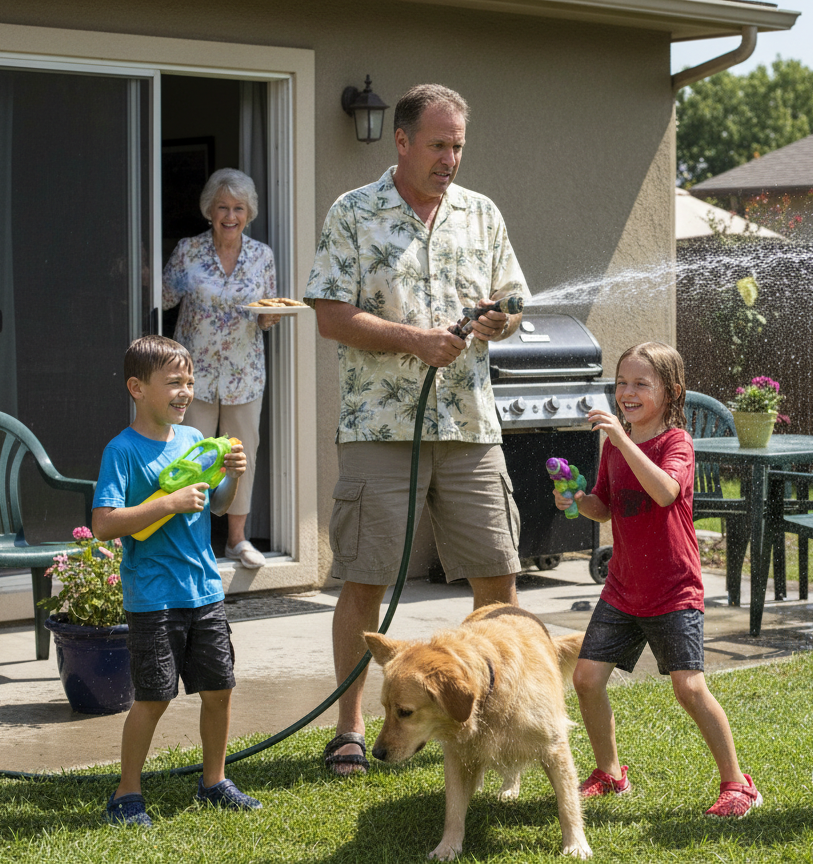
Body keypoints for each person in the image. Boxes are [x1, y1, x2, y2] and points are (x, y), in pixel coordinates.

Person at [303, 84, 528, 777]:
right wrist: (412, 339)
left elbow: (513, 300)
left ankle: (495, 724)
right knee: (365, 580)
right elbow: (330, 313)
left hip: (468, 423)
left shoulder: (481, 214)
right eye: (438, 144)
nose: (450, 158)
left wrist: (500, 320)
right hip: (380, 425)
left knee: (498, 578)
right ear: (401, 141)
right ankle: (349, 729)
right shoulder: (354, 213)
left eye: (458, 145)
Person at [556, 341, 762, 818]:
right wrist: (577, 499)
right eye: (621, 383)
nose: (626, 392)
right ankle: (610, 772)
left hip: (673, 589)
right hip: (623, 588)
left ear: (670, 392)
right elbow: (604, 506)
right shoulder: (614, 447)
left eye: (640, 384)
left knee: (689, 688)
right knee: (586, 678)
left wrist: (623, 440)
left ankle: (737, 783)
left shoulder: (677, 444)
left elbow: (666, 492)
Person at [92, 335, 261, 826]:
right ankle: (127, 794)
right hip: (153, 596)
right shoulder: (122, 451)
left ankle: (214, 781)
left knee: (219, 689)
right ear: (137, 388)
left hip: (204, 589)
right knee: (154, 696)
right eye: (173, 383)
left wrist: (231, 477)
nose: (186, 392)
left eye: (189, 381)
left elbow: (220, 504)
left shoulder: (194, 442)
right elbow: (104, 523)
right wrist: (167, 502)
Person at [163, 167, 278, 570]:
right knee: (192, 457)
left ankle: (236, 540)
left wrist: (271, 318)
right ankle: (191, 541)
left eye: (239, 208)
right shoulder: (188, 251)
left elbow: (266, 312)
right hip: (193, 374)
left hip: (245, 373)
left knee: (239, 456)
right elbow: (162, 297)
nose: (231, 215)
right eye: (223, 207)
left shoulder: (262, 255)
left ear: (249, 213)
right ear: (209, 210)